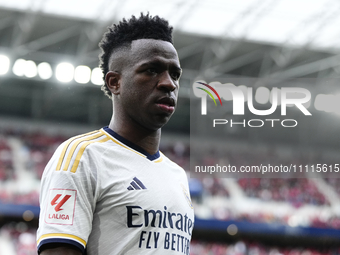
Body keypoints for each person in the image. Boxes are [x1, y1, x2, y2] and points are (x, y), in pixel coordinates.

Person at [36, 13, 194, 255]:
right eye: (152, 70)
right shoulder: (82, 157)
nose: (169, 83)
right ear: (114, 82)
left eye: (175, 74)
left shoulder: (178, 175)